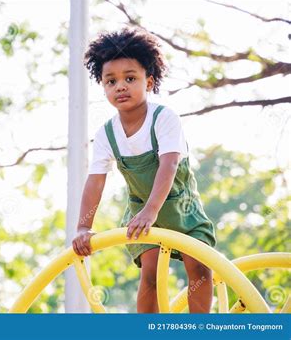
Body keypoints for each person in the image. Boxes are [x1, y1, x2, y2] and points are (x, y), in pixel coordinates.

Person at [72, 28, 216, 313]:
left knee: (199, 267)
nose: (120, 86)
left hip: (180, 207)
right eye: (111, 81)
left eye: (130, 78)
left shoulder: (164, 118)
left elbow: (170, 163)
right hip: (140, 209)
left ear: (149, 82)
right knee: (150, 273)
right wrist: (83, 226)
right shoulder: (106, 134)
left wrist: (153, 210)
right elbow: (95, 181)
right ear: (103, 87)